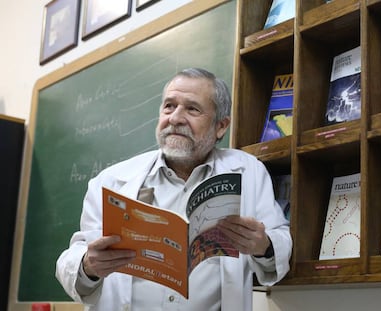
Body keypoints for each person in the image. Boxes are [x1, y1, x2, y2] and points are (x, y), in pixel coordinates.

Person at [56, 68, 292, 311]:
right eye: (169, 106)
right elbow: (71, 262)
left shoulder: (249, 171)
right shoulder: (112, 181)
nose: (176, 118)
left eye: (192, 109)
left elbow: (280, 240)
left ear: (220, 126)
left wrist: (263, 246)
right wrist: (87, 265)